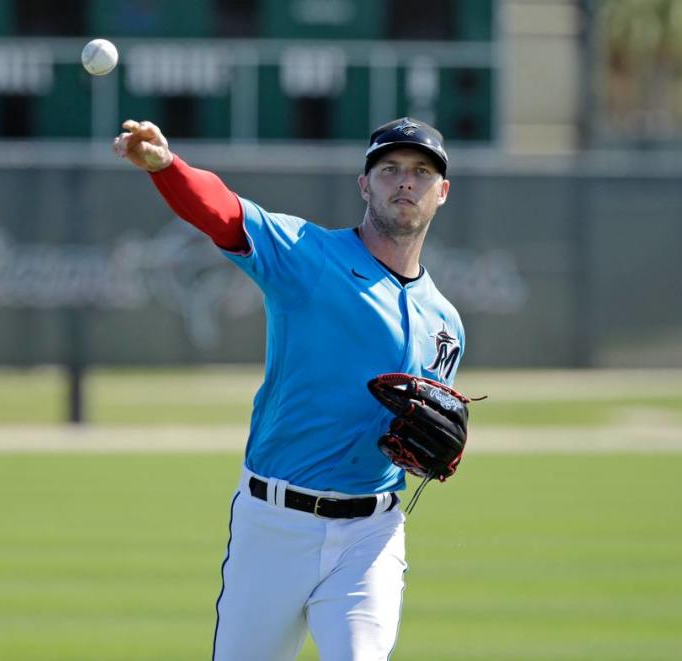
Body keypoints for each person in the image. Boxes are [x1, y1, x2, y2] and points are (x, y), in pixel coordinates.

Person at [114, 116, 464, 660]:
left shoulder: (446, 324)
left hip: (371, 537)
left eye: (421, 172)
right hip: (274, 526)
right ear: (364, 184)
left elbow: (423, 435)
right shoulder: (307, 256)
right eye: (389, 168)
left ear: (440, 192)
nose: (404, 181)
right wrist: (167, 167)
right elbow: (226, 214)